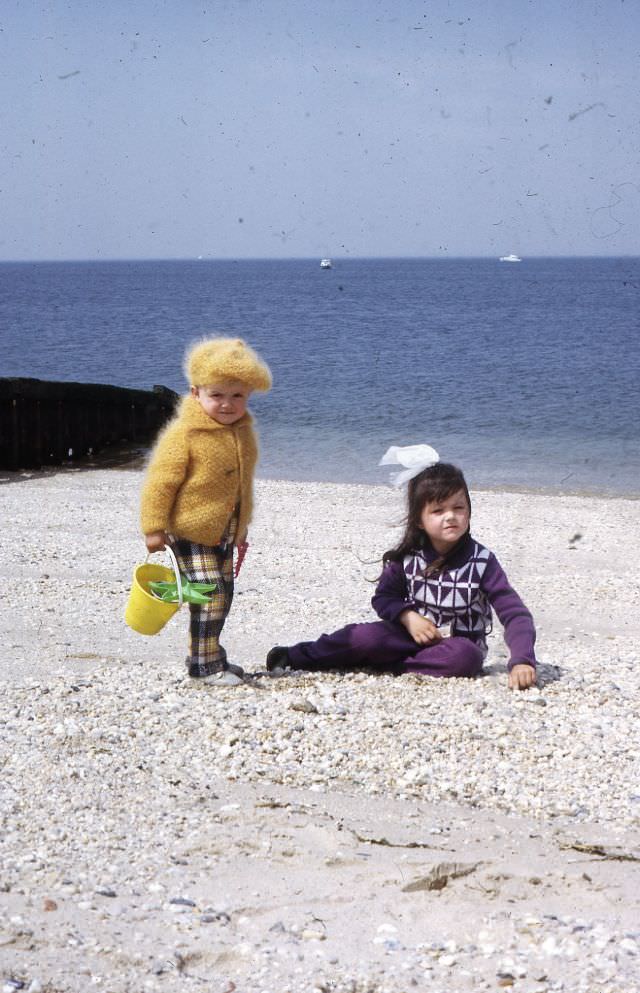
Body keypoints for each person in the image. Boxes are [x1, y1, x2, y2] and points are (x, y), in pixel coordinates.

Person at [266, 456, 536, 690]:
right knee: (365, 637)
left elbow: (514, 613)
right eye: (438, 510)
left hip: (453, 646)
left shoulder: (482, 562)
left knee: (466, 658)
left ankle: (389, 665)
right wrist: (408, 617)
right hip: (405, 636)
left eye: (458, 507)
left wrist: (521, 660)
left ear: (469, 510)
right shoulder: (408, 557)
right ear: (419, 520)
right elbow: (384, 598)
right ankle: (297, 655)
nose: (450, 517)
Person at [140, 336, 271, 685]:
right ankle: (203, 667)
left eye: (237, 396)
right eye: (217, 395)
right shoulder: (184, 434)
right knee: (209, 594)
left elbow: (243, 486)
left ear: (248, 395)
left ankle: (210, 653)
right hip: (188, 529)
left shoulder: (244, 433)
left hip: (225, 531)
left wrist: (241, 528)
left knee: (221, 595)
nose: (227, 405)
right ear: (196, 393)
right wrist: (154, 528)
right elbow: (160, 482)